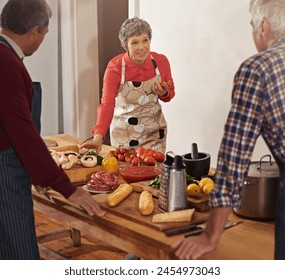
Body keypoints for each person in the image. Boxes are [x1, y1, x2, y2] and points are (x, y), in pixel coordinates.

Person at [172, 0, 285, 260]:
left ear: (264, 26)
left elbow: (234, 160)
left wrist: (211, 236)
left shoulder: (258, 68)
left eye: (252, 26)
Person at [0, 0, 105, 260]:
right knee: (19, 254)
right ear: (34, 31)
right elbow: (23, 134)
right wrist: (66, 187)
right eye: (44, 34)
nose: (42, 40)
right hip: (4, 170)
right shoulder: (7, 64)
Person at [81, 17, 175, 154]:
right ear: (126, 46)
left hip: (154, 134)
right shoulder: (115, 67)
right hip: (124, 135)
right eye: (134, 42)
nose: (141, 47)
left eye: (145, 40)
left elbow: (170, 94)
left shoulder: (161, 62)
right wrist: (98, 137)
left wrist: (164, 93)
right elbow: (107, 104)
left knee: (155, 173)